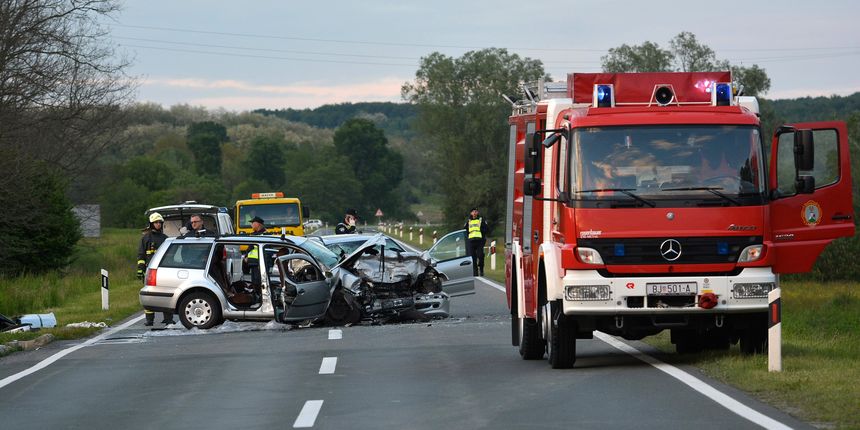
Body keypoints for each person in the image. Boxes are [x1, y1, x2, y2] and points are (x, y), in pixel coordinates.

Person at [137, 212, 172, 326]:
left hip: (164, 270)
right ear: (151, 224)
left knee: (166, 293)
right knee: (149, 294)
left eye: (160, 222)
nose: (158, 224)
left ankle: (168, 318)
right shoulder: (146, 238)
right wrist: (140, 269)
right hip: (150, 271)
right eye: (156, 222)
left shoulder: (165, 238)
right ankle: (149, 320)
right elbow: (141, 255)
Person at [464, 207, 490, 277]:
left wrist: (482, 232)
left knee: (480, 255)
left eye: (476, 211)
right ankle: (475, 272)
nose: (474, 213)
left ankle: (481, 269)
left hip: (480, 241)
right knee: (473, 258)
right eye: (473, 212)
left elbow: (487, 229)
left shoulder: (481, 220)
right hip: (471, 241)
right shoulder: (468, 221)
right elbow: (465, 230)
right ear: (471, 213)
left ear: (477, 212)